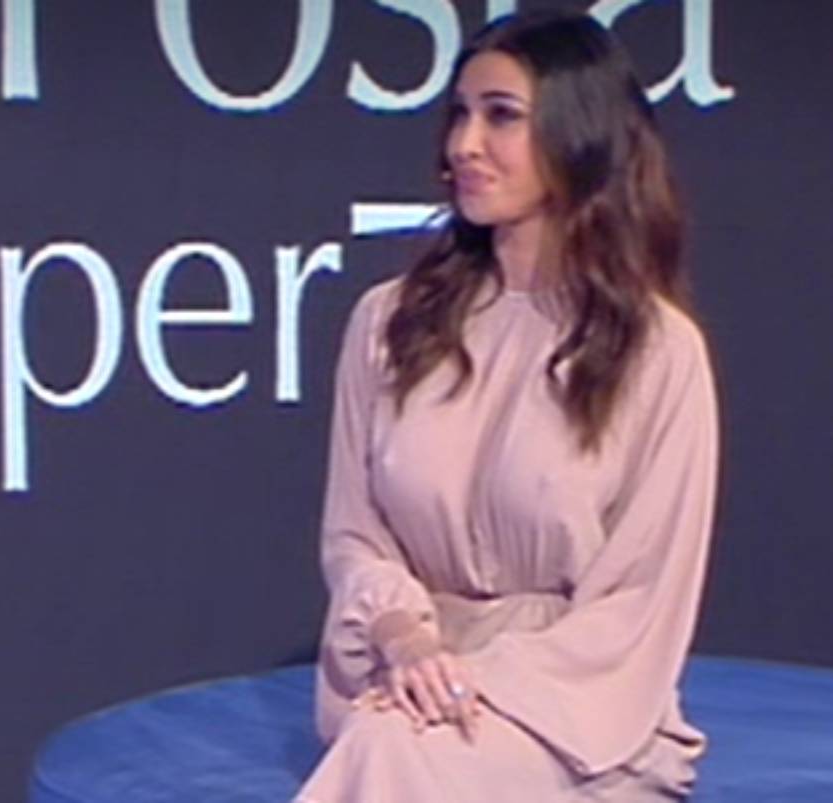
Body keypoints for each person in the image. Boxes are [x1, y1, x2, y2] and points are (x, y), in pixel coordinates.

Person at [295, 10, 720, 802]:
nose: (464, 144)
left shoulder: (659, 353)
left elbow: (637, 601)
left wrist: (476, 679)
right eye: (459, 114)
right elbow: (354, 535)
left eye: (501, 116)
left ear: (579, 135)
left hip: (574, 711)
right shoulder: (387, 322)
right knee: (394, 740)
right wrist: (405, 636)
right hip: (399, 677)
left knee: (398, 752)